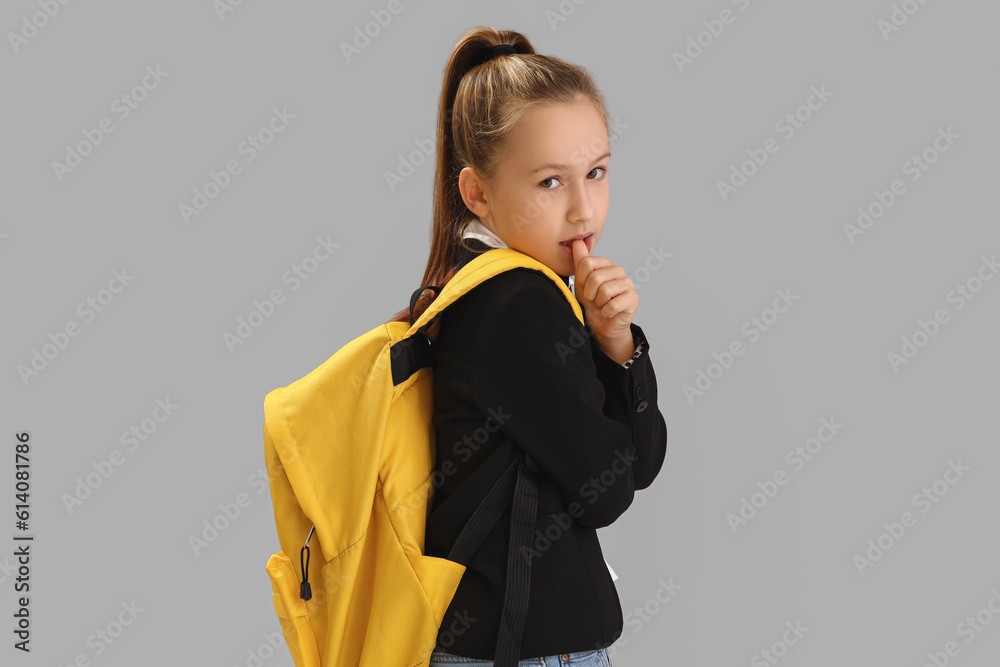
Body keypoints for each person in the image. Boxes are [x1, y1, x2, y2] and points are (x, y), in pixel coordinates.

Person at [386, 26, 668, 667]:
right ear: (476, 192)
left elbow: (637, 464)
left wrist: (616, 343)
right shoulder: (519, 305)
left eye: (595, 173)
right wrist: (609, 352)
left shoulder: (474, 287)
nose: (582, 210)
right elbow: (611, 490)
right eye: (549, 182)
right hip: (528, 651)